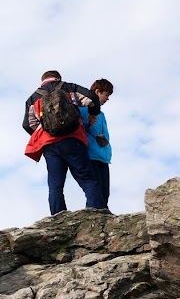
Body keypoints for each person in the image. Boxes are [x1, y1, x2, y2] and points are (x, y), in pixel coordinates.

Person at [23, 70, 105, 215]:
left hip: (50, 146)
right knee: (87, 180)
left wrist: (46, 132)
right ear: (58, 78)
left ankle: (57, 220)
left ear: (43, 80)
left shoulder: (32, 98)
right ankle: (97, 214)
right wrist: (93, 113)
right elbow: (92, 97)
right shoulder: (68, 87)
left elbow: (27, 125)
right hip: (74, 139)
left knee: (55, 186)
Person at [80, 79, 113, 211]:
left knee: (105, 192)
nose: (107, 99)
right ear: (97, 92)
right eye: (106, 95)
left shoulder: (102, 114)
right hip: (91, 155)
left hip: (103, 157)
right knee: (95, 191)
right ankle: (92, 221)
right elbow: (90, 129)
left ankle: (103, 220)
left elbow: (105, 135)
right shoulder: (83, 108)